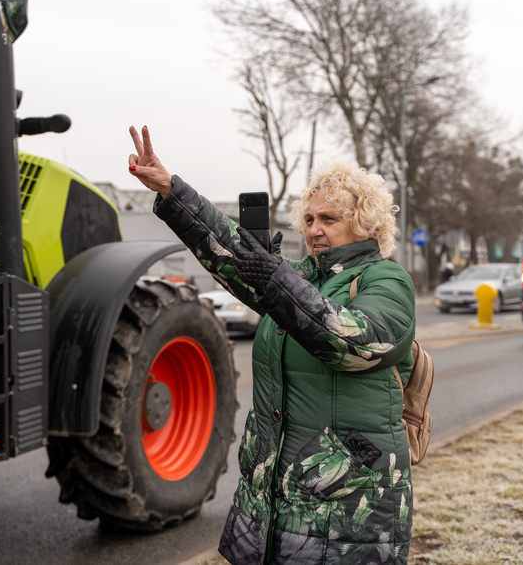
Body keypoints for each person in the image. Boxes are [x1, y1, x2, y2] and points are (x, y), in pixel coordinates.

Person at [127, 125, 416, 564]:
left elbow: (355, 342)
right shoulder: (299, 277)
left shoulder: (385, 278)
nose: (315, 229)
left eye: (329, 219)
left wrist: (276, 279)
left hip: (345, 502)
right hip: (276, 491)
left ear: (363, 224)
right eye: (310, 219)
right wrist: (171, 190)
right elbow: (227, 249)